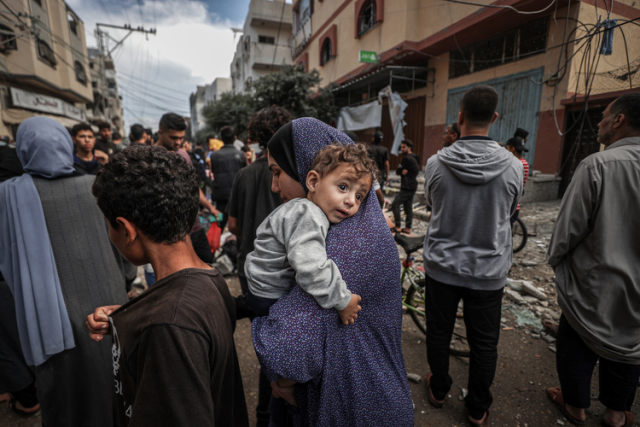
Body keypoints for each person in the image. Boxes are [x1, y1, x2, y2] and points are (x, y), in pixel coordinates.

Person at [252, 118, 414, 426]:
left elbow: (288, 349)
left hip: (353, 407)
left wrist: (263, 329)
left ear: (308, 173)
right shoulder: (363, 226)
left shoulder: (344, 246)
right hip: (373, 395)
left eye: (277, 173)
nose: (274, 186)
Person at [85, 146, 249, 427]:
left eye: (108, 225)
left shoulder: (168, 327)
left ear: (127, 229)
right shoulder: (208, 276)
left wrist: (151, 322)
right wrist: (131, 317)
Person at [0, 117, 129, 426]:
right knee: (114, 370)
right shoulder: (95, 185)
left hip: (49, 311)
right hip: (109, 295)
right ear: (67, 143)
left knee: (67, 384)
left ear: (24, 149)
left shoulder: (8, 195)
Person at [422, 85, 523, 426]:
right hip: (488, 273)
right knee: (484, 343)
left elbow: (432, 207)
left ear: (460, 117)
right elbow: (509, 213)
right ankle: (477, 408)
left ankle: (438, 389)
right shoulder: (513, 166)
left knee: (438, 332)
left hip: (442, 270)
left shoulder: (436, 164)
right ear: (494, 118)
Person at [546, 93, 640, 427]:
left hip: (593, 284)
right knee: (629, 346)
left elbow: (567, 231)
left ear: (619, 120)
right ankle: (616, 414)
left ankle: (575, 407)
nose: (598, 121)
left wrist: (556, 261)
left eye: (604, 115)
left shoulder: (597, 165)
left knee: (576, 338)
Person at [246, 142, 370, 325]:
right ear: (313, 182)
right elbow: (311, 267)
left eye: (359, 196)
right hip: (270, 295)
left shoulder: (301, 209)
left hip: (260, 286)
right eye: (343, 187)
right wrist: (343, 300)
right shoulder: (309, 214)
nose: (351, 201)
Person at [227, 105, 291, 426]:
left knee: (264, 339)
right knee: (282, 348)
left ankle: (264, 413)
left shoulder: (244, 175)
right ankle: (269, 411)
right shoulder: (295, 173)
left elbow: (234, 225)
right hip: (285, 275)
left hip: (250, 272)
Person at [209, 125, 246, 229]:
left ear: (221, 138)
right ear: (235, 138)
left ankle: (215, 243)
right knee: (239, 225)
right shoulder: (241, 154)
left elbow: (214, 171)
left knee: (218, 224)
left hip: (220, 195)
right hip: (237, 195)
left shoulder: (214, 155)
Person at [390, 139, 420, 234]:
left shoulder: (407, 158)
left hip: (407, 186)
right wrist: (402, 171)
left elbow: (398, 170)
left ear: (409, 147)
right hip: (412, 185)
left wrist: (401, 171)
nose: (401, 149)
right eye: (401, 147)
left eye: (404, 147)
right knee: (408, 207)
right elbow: (401, 170)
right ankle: (408, 228)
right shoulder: (415, 157)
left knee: (395, 204)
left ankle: (398, 226)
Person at [505, 136, 529, 226]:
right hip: (516, 206)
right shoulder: (524, 163)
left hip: (510, 206)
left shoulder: (516, 164)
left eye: (507, 148)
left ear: (513, 149)